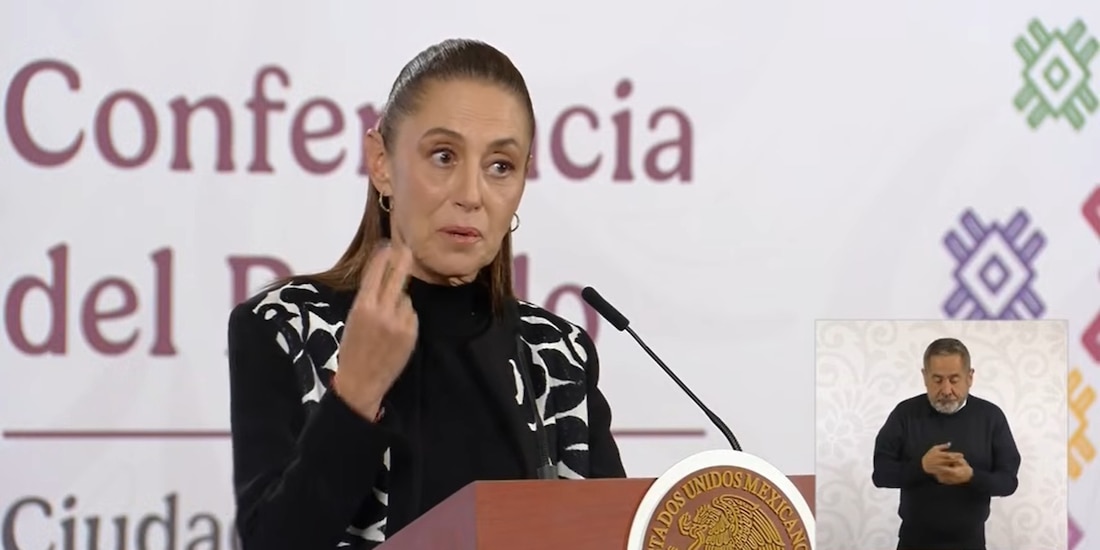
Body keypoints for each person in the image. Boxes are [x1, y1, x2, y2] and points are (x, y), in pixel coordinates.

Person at [226, 38, 627, 550]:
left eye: (500, 166)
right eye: (443, 156)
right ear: (381, 162)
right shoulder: (287, 328)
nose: (471, 194)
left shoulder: (557, 354)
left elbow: (615, 534)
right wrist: (356, 395)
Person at [870, 337, 1021, 550]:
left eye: (954, 379)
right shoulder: (905, 414)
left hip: (970, 544)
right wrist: (922, 467)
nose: (947, 390)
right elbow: (880, 474)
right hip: (914, 543)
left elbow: (1008, 482)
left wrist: (971, 476)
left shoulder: (991, 417)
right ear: (925, 377)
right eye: (938, 380)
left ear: (970, 377)